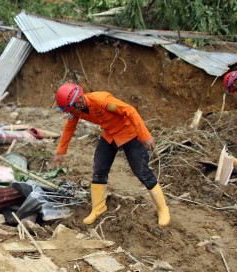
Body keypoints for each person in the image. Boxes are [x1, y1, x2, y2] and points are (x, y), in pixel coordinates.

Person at [51, 83, 170, 226]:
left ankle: (162, 209)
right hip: (109, 134)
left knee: (141, 170)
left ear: (79, 101)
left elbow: (130, 111)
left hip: (128, 133)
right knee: (99, 168)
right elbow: (69, 127)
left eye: (70, 109)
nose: (69, 113)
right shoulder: (76, 109)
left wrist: (145, 136)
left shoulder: (102, 101)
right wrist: (60, 152)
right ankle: (98, 208)